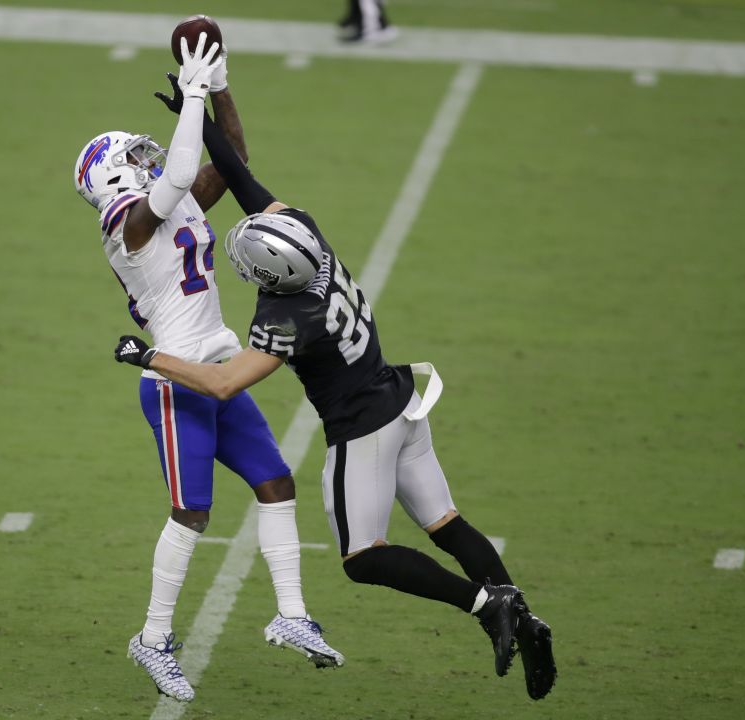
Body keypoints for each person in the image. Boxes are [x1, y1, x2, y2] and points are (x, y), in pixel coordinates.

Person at [112, 74, 558, 701]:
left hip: (363, 430)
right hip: (402, 400)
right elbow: (243, 181)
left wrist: (148, 355)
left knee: (363, 558)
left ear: (271, 277)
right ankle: (524, 616)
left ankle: (487, 607)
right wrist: (205, 111)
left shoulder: (283, 319)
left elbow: (218, 383)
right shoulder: (308, 236)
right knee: (448, 524)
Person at [74, 35, 344, 703]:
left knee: (276, 482)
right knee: (192, 511)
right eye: (133, 156)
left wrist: (219, 85)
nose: (148, 156)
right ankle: (154, 639)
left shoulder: (175, 199)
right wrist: (190, 95)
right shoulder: (128, 226)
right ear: (113, 176)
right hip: (173, 385)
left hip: (215, 366)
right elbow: (176, 174)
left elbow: (233, 154)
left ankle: (291, 615)